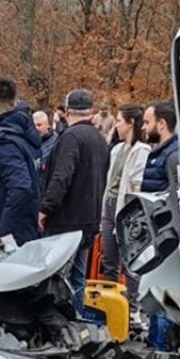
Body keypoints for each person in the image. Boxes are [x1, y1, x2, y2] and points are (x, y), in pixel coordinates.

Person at [39, 88, 110, 312]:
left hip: (66, 220)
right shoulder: (100, 139)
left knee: (55, 279)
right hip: (89, 219)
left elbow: (62, 176)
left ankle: (57, 325)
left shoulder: (71, 137)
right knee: (78, 279)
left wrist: (45, 208)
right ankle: (77, 320)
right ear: (91, 111)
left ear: (67, 111)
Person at [0, 76, 43, 248]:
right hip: (25, 226)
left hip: (2, 231)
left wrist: (3, 237)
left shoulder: (3, 140)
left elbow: (20, 186)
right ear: (14, 103)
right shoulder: (26, 135)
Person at [100, 104, 152, 299]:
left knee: (129, 261)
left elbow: (136, 185)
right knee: (109, 258)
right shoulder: (116, 149)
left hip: (125, 209)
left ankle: (133, 305)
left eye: (120, 121)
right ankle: (109, 301)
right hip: (110, 205)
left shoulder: (141, 150)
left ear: (130, 123)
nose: (117, 126)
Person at [141, 101, 180, 193]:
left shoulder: (173, 156)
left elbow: (176, 195)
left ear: (162, 123)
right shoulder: (158, 153)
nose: (143, 127)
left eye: (147, 122)